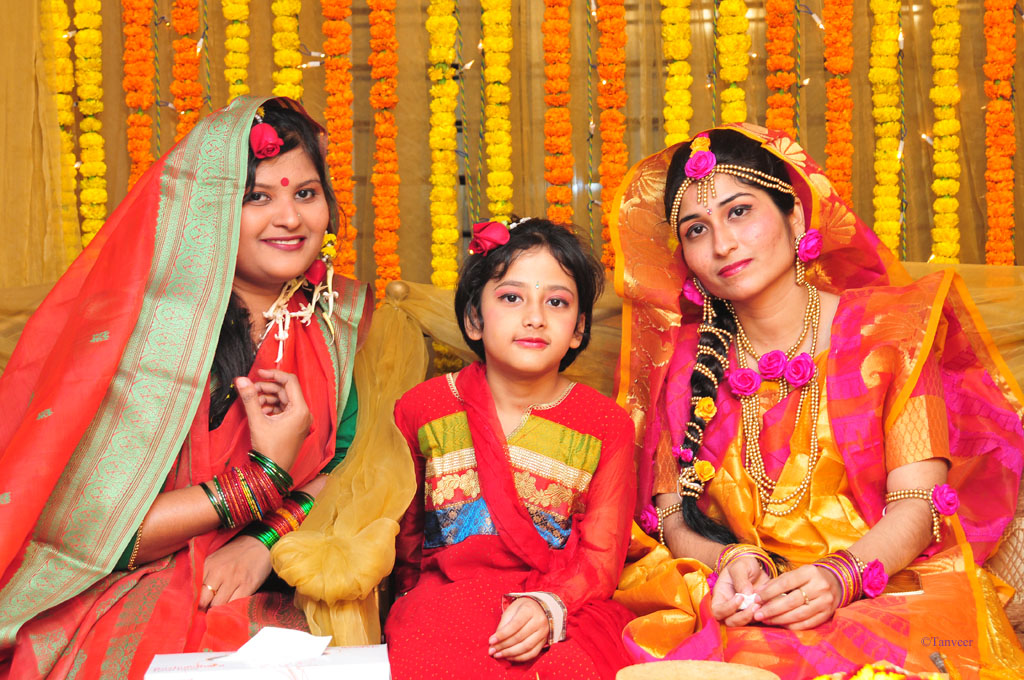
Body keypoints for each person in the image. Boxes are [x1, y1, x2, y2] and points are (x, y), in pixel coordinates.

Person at [611, 125, 1024, 678]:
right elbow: (669, 517)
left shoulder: (890, 332)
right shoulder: (682, 363)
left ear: (797, 218)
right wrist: (731, 559)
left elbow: (918, 502)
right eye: (696, 230)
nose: (722, 244)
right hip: (745, 602)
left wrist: (840, 575)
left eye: (739, 212)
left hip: (879, 588)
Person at [0, 96, 371, 679]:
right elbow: (101, 533)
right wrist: (263, 477)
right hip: (130, 580)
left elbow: (363, 473)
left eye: (305, 193)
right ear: (208, 209)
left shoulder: (343, 322)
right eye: (257, 198)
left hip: (291, 570)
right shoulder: (144, 334)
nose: (290, 219)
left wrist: (264, 541)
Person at [385, 218, 637, 679]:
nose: (535, 317)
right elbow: (406, 541)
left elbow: (602, 559)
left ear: (578, 329)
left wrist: (549, 607)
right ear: (474, 319)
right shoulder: (423, 408)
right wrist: (409, 602)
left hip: (562, 607)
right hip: (442, 605)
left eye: (556, 302)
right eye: (511, 297)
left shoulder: (606, 425)